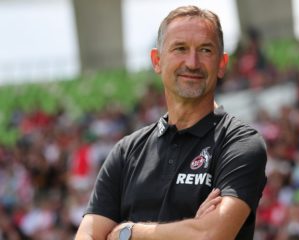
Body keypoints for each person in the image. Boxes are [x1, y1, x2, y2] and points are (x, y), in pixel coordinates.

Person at [75, 5, 268, 240]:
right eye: (180, 49)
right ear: (157, 60)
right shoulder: (126, 153)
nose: (193, 62)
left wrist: (127, 232)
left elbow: (209, 235)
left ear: (221, 64)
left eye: (206, 50)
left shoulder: (240, 144)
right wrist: (190, 228)